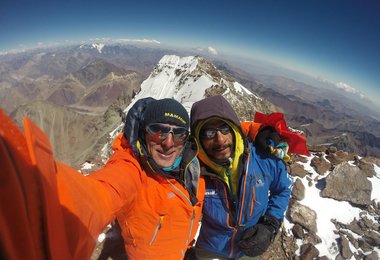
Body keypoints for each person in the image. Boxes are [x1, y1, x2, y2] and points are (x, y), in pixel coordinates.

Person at [0, 98, 205, 260]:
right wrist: (31, 195)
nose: (168, 142)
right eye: (157, 130)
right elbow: (100, 195)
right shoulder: (133, 170)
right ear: (143, 133)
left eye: (178, 133)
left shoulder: (194, 169)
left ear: (186, 139)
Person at [189, 95, 293, 259]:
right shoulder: (193, 169)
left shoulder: (263, 157)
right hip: (209, 249)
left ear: (233, 130)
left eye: (224, 128)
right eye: (209, 132)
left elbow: (282, 190)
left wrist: (270, 224)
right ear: (198, 139)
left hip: (250, 246)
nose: (220, 139)